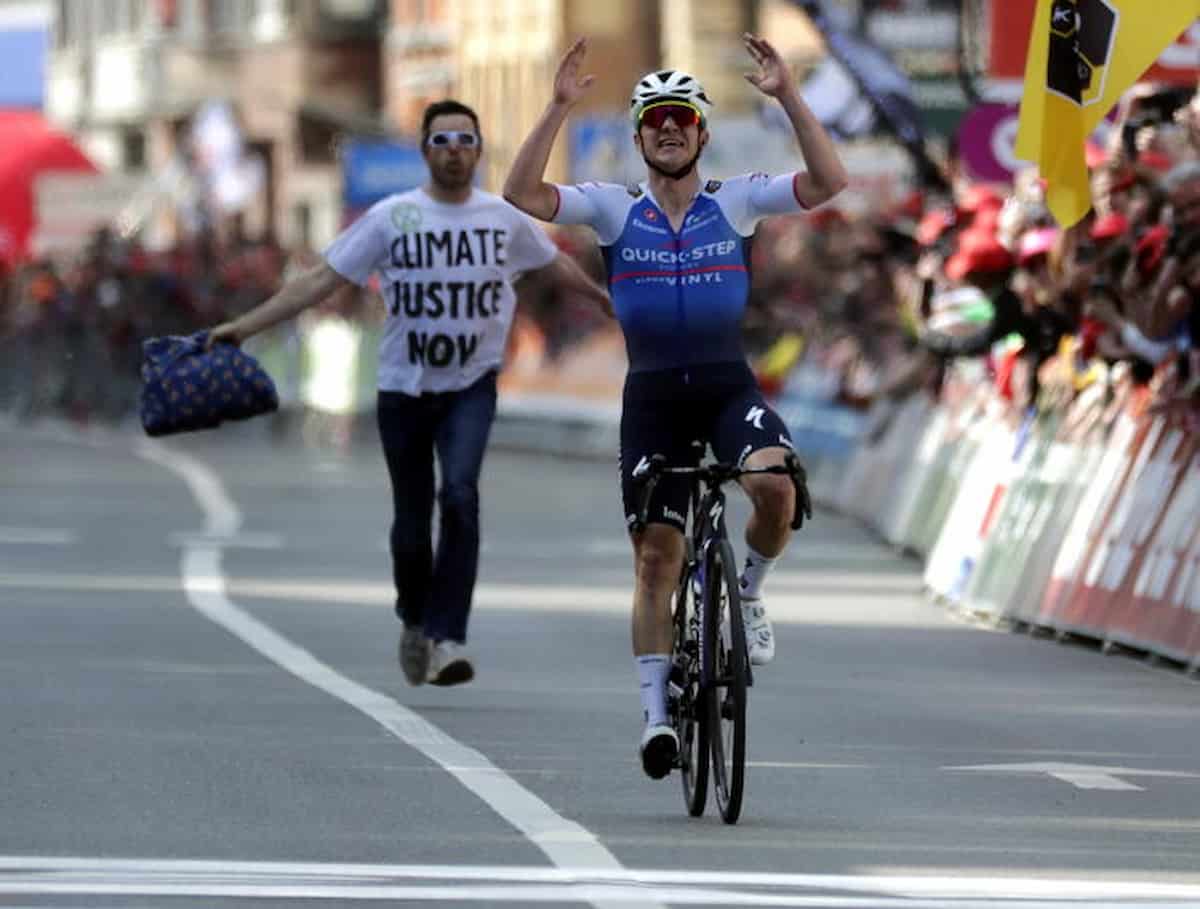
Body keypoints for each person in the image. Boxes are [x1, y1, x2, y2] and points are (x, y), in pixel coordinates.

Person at [503, 34, 846, 778]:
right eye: (654, 119)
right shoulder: (612, 209)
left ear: (701, 132)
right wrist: (558, 109)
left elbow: (828, 181)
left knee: (777, 486)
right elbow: (522, 196)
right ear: (638, 136)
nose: (668, 129)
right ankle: (657, 716)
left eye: (680, 119)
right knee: (657, 559)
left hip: (727, 385)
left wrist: (789, 94)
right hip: (654, 397)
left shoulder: (739, 199)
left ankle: (748, 590)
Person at [207, 99, 612, 688]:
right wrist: (246, 326)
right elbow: (322, 279)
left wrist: (603, 299)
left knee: (462, 497)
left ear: (479, 150)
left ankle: (446, 638)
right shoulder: (392, 218)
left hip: (471, 387)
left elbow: (553, 266)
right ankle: (414, 617)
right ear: (425, 152)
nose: (454, 150)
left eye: (465, 140)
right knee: (411, 522)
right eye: (442, 140)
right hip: (405, 389)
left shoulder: (501, 220)